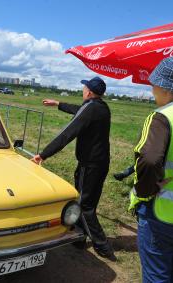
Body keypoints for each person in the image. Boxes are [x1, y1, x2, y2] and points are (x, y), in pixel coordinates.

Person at [31, 77, 114, 258]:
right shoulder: (100, 107)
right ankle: (79, 239)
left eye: (84, 87)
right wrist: (58, 104)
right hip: (99, 164)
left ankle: (103, 246)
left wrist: (43, 154)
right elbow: (79, 111)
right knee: (84, 201)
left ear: (89, 92)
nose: (83, 90)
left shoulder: (91, 108)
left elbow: (67, 133)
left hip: (90, 165)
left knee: (84, 205)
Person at [129, 56, 173, 283]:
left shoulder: (162, 116)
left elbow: (150, 159)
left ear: (166, 88)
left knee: (157, 277)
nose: (153, 91)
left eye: (154, 85)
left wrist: (145, 191)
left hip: (161, 215)